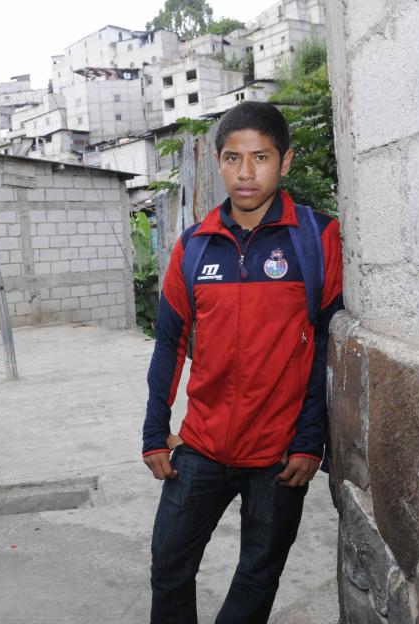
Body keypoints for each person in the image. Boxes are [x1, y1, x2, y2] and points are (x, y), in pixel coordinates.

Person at [142, 101, 343, 624]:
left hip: (277, 455)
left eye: (261, 157)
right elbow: (170, 343)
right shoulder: (193, 247)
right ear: (218, 162)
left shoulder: (317, 240)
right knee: (168, 566)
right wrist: (153, 430)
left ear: (286, 162)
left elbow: (324, 347)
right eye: (233, 158)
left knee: (258, 574)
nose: (246, 172)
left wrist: (309, 440)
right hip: (201, 446)